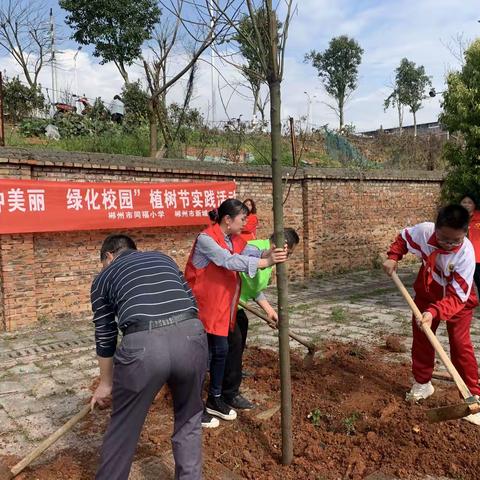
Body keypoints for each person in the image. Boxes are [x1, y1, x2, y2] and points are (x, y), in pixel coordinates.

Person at [90, 234, 207, 479]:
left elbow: (105, 333)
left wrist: (105, 383)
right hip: (192, 337)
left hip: (144, 348)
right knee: (189, 418)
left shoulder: (103, 277)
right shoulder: (163, 259)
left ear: (109, 256)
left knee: (123, 428)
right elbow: (190, 302)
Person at [184, 199, 288, 426]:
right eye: (242, 219)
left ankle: (215, 399)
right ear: (227, 219)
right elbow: (228, 260)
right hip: (202, 308)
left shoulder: (234, 239)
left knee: (221, 353)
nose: (246, 223)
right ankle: (193, 407)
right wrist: (266, 261)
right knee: (204, 357)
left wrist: (269, 252)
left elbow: (250, 252)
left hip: (221, 309)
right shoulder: (206, 239)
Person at [383, 205, 480, 425]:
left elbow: (457, 297)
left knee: (460, 343)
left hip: (458, 301)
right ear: (436, 228)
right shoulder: (424, 232)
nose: (449, 245)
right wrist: (393, 257)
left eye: (455, 241)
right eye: (444, 238)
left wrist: (434, 312)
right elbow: (403, 239)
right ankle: (422, 383)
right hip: (427, 294)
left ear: (465, 233)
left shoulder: (466, 253)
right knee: (422, 338)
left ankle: (472, 395)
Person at [222, 228, 300, 409]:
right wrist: (266, 258)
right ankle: (229, 394)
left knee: (241, 333)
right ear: (278, 246)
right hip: (226, 304)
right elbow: (250, 263)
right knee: (234, 343)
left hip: (238, 304)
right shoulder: (253, 248)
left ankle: (234, 372)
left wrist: (269, 310)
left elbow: (254, 289)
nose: (287, 257)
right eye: (289, 253)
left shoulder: (271, 259)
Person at [460, 194, 480, 293]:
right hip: (461, 258)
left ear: (474, 205)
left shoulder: (479, 217)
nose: (466, 205)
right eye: (464, 202)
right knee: (462, 286)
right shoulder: (456, 218)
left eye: (469, 202)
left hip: (477, 258)